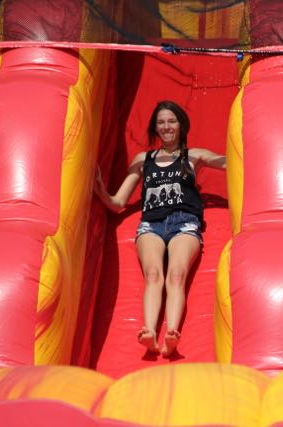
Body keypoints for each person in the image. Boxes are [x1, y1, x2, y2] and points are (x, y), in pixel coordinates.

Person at [95, 100, 226, 356]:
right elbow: (118, 202)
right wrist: (100, 191)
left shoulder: (194, 156)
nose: (167, 127)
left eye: (172, 121)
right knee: (154, 275)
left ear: (181, 125)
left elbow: (229, 162)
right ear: (155, 128)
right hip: (151, 225)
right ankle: (150, 333)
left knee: (176, 275)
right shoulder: (143, 160)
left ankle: (172, 334)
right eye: (161, 122)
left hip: (184, 223)